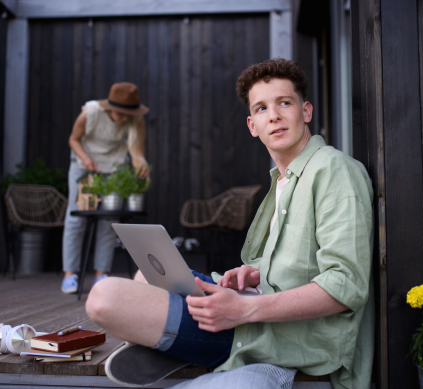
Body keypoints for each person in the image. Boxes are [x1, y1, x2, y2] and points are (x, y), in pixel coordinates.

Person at [86, 59, 374, 389]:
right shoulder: (284, 179)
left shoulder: (334, 171)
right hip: (255, 306)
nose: (274, 116)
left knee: (105, 297)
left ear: (305, 111)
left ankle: (187, 346)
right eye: (262, 108)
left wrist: (243, 311)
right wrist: (253, 272)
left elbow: (347, 285)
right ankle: (184, 343)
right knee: (144, 276)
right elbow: (299, 263)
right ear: (253, 125)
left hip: (281, 336)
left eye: (284, 103)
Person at [61, 82, 150, 294]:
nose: (126, 118)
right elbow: (73, 139)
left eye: (130, 113)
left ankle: (101, 275)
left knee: (109, 220)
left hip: (115, 170)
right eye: (121, 113)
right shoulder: (90, 113)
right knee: (77, 218)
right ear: (109, 108)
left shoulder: (135, 119)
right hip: (85, 168)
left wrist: (140, 162)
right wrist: (85, 158)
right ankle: (70, 275)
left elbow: (137, 151)